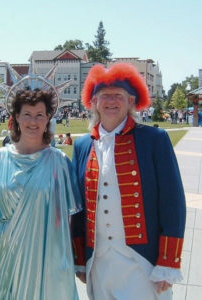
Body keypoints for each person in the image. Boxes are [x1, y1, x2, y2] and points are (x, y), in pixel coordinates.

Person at [0, 78, 81, 300]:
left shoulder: (60, 162)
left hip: (49, 260)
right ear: (16, 118)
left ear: (48, 120)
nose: (33, 121)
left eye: (39, 115)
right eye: (27, 115)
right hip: (9, 256)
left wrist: (73, 259)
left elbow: (73, 218)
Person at [71, 63, 186, 300]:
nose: (111, 101)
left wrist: (168, 261)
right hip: (99, 263)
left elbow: (172, 203)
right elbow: (78, 208)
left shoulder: (155, 139)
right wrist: (80, 257)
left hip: (142, 262)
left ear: (132, 101)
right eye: (105, 96)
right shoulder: (83, 145)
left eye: (118, 96)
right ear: (93, 101)